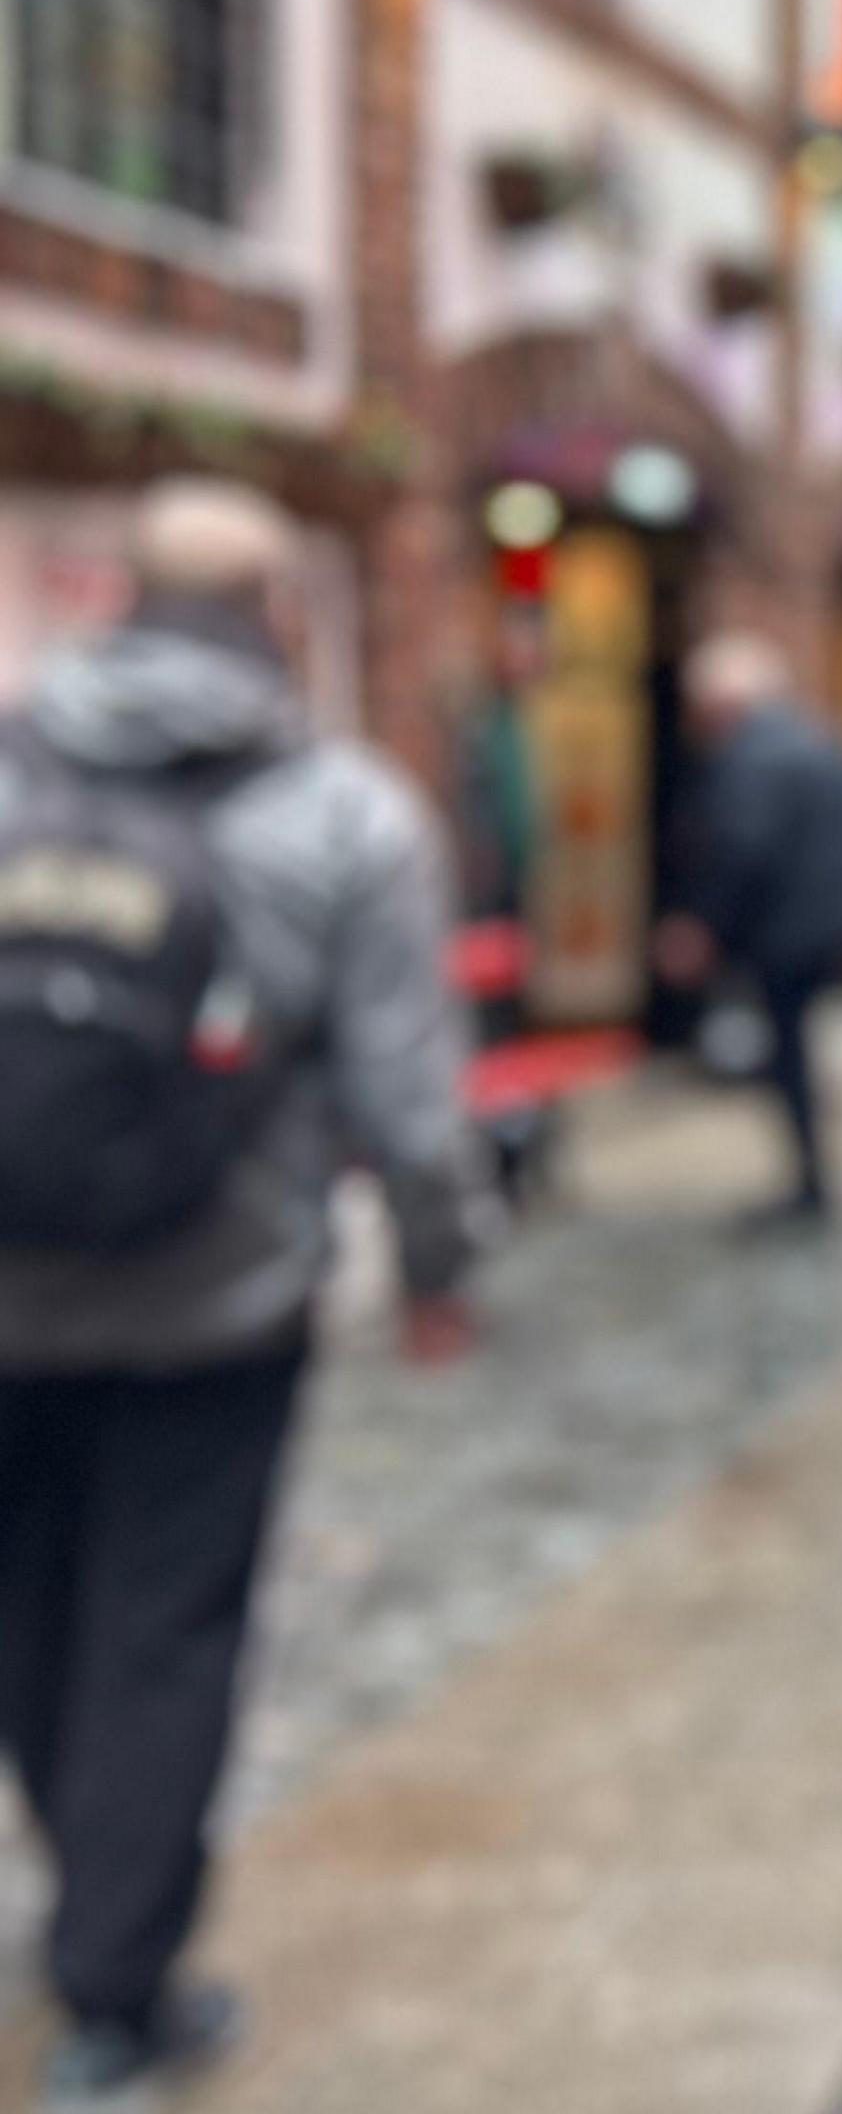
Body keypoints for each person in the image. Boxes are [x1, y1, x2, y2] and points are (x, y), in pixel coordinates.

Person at [0, 477, 486, 2101]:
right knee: (168, 1628)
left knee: (28, 1611)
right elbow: (409, 1097)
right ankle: (117, 1984)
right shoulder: (345, 810)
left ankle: (95, 1890)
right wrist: (438, 1267)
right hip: (218, 1300)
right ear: (279, 613)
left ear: (114, 598)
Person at [657, 634, 842, 1228]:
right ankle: (810, 1177)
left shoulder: (752, 754)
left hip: (790, 930)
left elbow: (741, 848)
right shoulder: (818, 737)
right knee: (792, 1051)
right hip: (830, 923)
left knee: (787, 1053)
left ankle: (808, 1184)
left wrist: (703, 925)